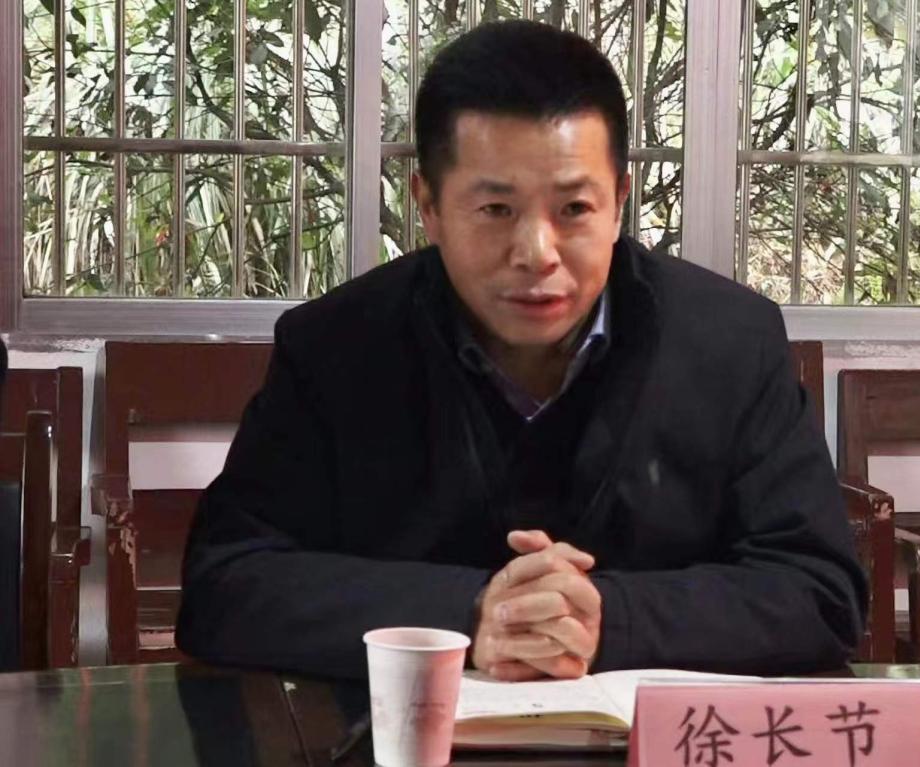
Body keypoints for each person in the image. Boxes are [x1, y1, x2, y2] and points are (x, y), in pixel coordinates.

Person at [176, 20, 867, 681]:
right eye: (496, 209)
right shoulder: (336, 346)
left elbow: (820, 590)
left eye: (574, 209)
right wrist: (471, 614)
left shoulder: (730, 344)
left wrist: (610, 619)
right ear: (428, 205)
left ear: (619, 201)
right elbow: (225, 583)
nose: (536, 253)